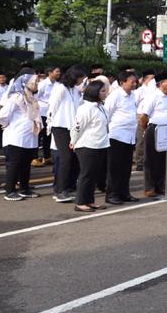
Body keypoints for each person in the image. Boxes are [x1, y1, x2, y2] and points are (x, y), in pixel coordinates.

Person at [0, 71, 43, 200]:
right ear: (25, 83)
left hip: (29, 137)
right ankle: (10, 191)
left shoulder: (31, 98)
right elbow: (3, 114)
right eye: (34, 82)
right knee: (14, 164)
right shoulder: (17, 97)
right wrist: (5, 125)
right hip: (16, 137)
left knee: (25, 164)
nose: (37, 84)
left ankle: (24, 188)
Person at [70, 79, 111, 212]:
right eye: (103, 91)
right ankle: (80, 202)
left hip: (101, 144)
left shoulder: (100, 107)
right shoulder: (85, 108)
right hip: (88, 145)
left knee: (93, 174)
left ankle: (89, 200)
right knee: (86, 174)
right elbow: (77, 127)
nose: (106, 93)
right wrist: (73, 141)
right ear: (95, 92)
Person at [48, 66, 85, 203]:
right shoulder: (60, 88)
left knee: (72, 157)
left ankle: (67, 187)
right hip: (60, 127)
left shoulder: (74, 90)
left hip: (72, 127)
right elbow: (53, 106)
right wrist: (49, 124)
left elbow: (78, 105)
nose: (82, 80)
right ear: (74, 77)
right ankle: (60, 190)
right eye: (80, 78)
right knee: (66, 158)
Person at [138, 70, 167, 197]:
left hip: (166, 131)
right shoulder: (153, 96)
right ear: (161, 83)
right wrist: (146, 129)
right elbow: (144, 116)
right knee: (150, 160)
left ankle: (160, 186)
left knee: (163, 160)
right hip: (154, 129)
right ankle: (149, 188)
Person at [103, 71, 140, 205]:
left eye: (135, 81)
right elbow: (107, 115)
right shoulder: (115, 96)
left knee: (126, 167)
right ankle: (112, 194)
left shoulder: (133, 96)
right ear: (122, 82)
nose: (134, 84)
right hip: (117, 135)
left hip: (129, 136)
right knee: (115, 168)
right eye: (132, 82)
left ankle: (124, 193)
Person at [34, 65, 61, 167]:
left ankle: (47, 156)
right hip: (42, 111)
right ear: (50, 72)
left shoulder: (58, 85)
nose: (59, 73)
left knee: (48, 135)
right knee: (39, 135)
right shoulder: (42, 84)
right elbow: (36, 97)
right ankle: (35, 157)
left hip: (51, 113)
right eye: (56, 71)